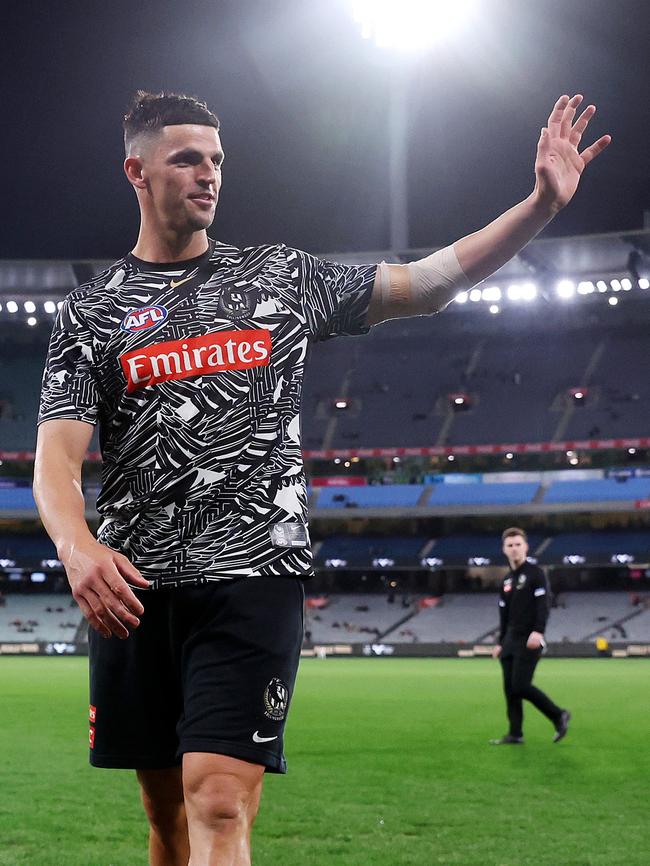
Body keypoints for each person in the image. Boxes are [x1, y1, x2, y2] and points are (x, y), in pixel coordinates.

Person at [33, 90, 606, 865]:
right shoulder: (90, 313)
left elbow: (430, 281)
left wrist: (539, 205)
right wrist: (76, 547)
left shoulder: (281, 278)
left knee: (219, 802)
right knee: (166, 817)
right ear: (136, 169)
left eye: (217, 161)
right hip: (133, 588)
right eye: (187, 159)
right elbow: (56, 463)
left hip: (253, 577)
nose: (209, 174)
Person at [490, 527, 571, 745]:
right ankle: (515, 733)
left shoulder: (536, 574)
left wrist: (538, 631)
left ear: (526, 547)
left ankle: (558, 714)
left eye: (518, 544)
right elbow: (503, 615)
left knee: (521, 685)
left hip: (529, 638)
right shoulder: (507, 580)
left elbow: (543, 605)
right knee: (510, 690)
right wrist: (500, 642)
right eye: (510, 545)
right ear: (504, 550)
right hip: (509, 641)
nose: (514, 549)